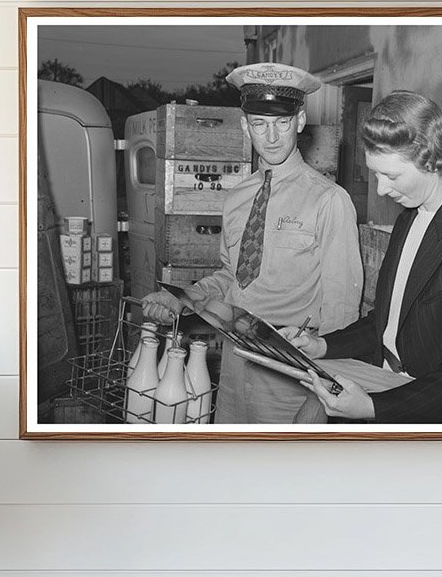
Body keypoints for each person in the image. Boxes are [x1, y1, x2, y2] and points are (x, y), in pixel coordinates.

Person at [141, 62, 362, 423]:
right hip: (234, 365)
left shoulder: (329, 201)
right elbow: (232, 277)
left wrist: (324, 397)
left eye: (282, 123)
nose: (271, 137)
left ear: (300, 121)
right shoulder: (237, 198)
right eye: (260, 124)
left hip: (292, 378)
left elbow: (343, 312)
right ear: (246, 126)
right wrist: (180, 298)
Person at [284, 91, 442, 424]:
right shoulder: (409, 216)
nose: (381, 190)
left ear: (430, 159)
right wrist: (321, 346)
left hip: (432, 412)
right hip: (383, 381)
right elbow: (386, 322)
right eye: (376, 174)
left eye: (391, 176)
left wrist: (374, 408)